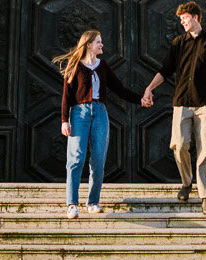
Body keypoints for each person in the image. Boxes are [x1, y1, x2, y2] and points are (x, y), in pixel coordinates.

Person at [140, 2, 206, 215]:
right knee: (180, 146)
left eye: (184, 18)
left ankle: (205, 197)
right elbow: (165, 70)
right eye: (181, 19)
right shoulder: (178, 43)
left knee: (205, 151)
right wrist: (149, 88)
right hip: (181, 102)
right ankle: (186, 182)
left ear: (195, 17)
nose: (181, 22)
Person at [56, 28, 143, 219]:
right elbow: (66, 96)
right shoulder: (75, 66)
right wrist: (64, 120)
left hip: (100, 113)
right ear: (89, 45)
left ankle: (93, 202)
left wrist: (140, 100)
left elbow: (119, 89)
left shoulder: (103, 67)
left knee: (98, 159)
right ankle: (72, 204)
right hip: (79, 112)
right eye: (98, 42)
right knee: (76, 158)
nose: (101, 45)